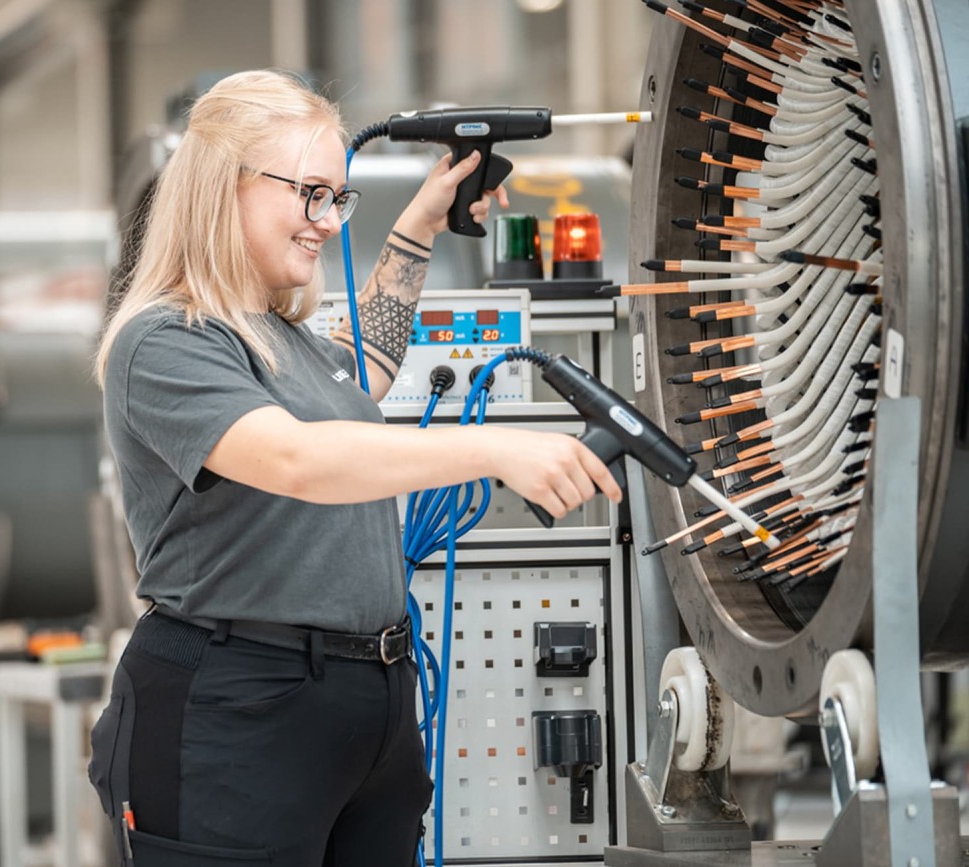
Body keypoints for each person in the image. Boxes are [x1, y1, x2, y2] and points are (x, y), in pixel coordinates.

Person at [88, 69, 621, 867]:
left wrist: (418, 225)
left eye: (337, 198)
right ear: (220, 186)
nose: (326, 223)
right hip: (240, 707)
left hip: (365, 705)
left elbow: (365, 363)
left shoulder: (287, 340)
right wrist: (495, 445)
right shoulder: (165, 341)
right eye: (309, 193)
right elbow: (298, 459)